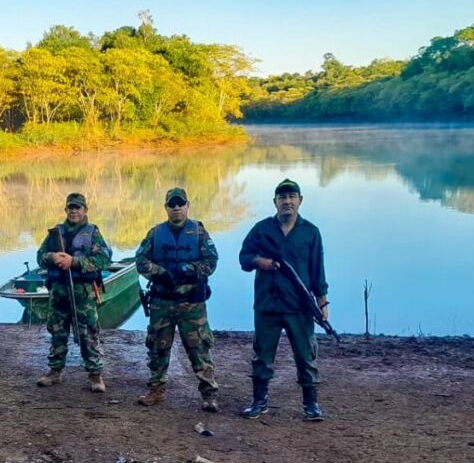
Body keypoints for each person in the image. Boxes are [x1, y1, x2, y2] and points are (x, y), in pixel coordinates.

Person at [238, 178, 329, 422]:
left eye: (291, 197)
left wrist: (323, 303)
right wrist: (260, 262)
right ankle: (259, 402)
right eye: (282, 198)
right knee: (262, 356)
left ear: (300, 201)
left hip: (299, 307)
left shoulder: (311, 232)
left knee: (305, 354)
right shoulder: (261, 229)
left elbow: (317, 270)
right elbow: (244, 258)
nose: (287, 201)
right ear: (275, 202)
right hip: (267, 305)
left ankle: (311, 405)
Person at [134, 187, 220, 412]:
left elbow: (211, 262)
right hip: (162, 301)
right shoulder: (155, 233)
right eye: (172, 204)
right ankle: (156, 389)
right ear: (166, 208)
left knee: (199, 347)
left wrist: (188, 269)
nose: (176, 208)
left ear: (187, 205)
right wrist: (159, 272)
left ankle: (209, 394)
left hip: (191, 303)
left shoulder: (199, 233)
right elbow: (140, 260)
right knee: (157, 348)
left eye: (180, 203)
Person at [35, 193, 112, 392]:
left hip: (83, 294)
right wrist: (52, 257)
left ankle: (95, 375)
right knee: (57, 332)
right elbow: (40, 256)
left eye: (78, 207)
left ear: (85, 210)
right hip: (59, 292)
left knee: (88, 334)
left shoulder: (93, 232)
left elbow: (104, 259)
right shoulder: (56, 232)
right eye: (71, 207)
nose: (74, 211)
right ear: (66, 210)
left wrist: (74, 262)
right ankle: (55, 372)